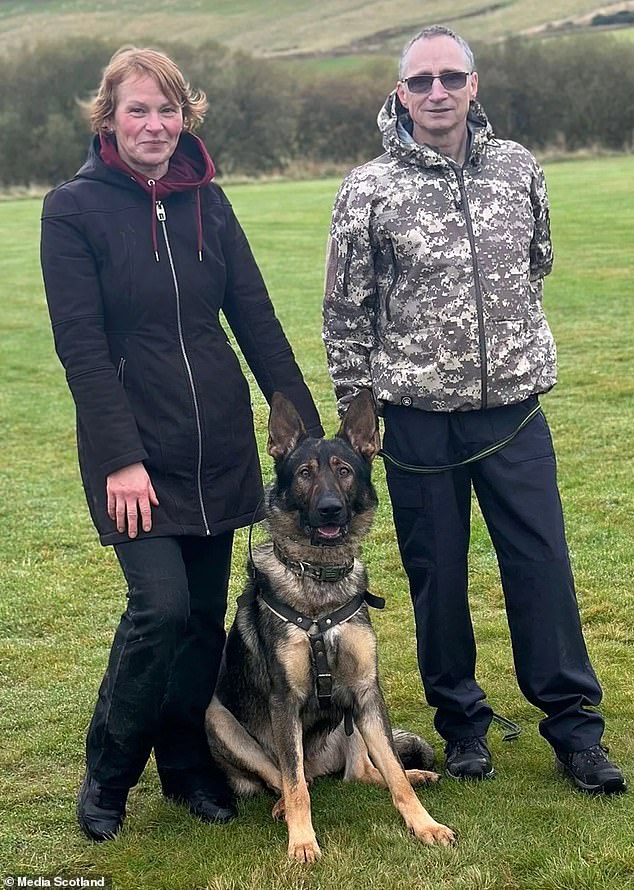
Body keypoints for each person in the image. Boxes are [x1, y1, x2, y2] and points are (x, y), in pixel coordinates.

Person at [322, 25, 626, 794]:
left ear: (474, 84)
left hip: (514, 414)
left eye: (450, 77)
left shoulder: (518, 167)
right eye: (420, 81)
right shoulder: (369, 188)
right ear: (400, 93)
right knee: (438, 576)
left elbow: (537, 262)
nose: (436, 92)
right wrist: (358, 413)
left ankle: (575, 729)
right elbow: (344, 311)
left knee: (543, 567)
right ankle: (462, 728)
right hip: (417, 418)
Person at [41, 46, 324, 842]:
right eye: (138, 110)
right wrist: (122, 459)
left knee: (203, 618)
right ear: (110, 118)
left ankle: (187, 768)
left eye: (167, 110)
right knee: (158, 609)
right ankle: (109, 772)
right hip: (135, 456)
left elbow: (256, 320)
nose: (155, 125)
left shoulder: (211, 202)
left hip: (220, 448)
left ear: (185, 116)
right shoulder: (72, 210)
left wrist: (304, 431)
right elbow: (83, 349)